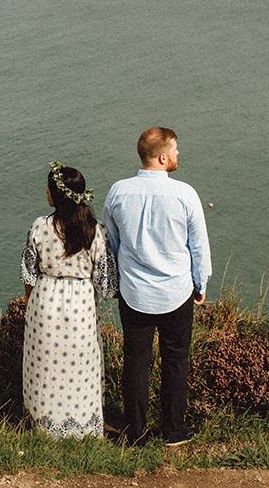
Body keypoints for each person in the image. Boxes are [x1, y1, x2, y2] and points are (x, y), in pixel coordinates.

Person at [102, 127, 212, 446]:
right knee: (175, 361)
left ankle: (136, 432)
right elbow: (198, 246)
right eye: (175, 149)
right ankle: (173, 431)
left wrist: (117, 283)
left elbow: (111, 243)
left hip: (134, 292)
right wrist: (200, 283)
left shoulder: (118, 192)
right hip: (177, 292)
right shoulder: (185, 194)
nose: (179, 154)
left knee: (135, 363)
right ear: (163, 157)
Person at [20, 161, 118, 438]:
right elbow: (106, 283)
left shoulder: (39, 226)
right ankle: (83, 423)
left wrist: (30, 303)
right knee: (81, 363)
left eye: (49, 189)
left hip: (45, 301)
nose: (46, 194)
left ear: (57, 195)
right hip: (82, 305)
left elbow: (29, 272)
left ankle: (43, 423)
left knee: (44, 363)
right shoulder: (95, 231)